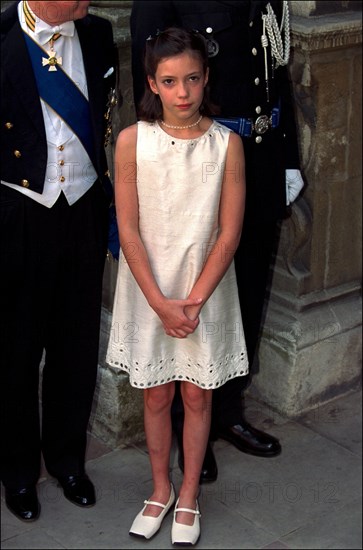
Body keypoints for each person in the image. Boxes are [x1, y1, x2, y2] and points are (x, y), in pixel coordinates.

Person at [130, 0, 304, 482]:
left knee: (245, 295)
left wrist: (287, 156)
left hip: (260, 158)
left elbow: (277, 71)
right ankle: (190, 429)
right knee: (192, 299)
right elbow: (145, 92)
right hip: (196, 173)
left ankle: (225, 410)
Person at [106, 27, 248, 545]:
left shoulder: (227, 145)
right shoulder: (130, 143)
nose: (183, 92)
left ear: (206, 77)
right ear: (152, 84)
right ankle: (160, 487)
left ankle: (190, 493)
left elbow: (229, 234)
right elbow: (128, 229)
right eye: (170, 81)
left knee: (196, 395)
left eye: (191, 79)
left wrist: (191, 302)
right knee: (157, 395)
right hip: (150, 290)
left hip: (202, 293)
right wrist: (161, 304)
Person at [0, 1, 117, 522]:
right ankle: (18, 472)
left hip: (82, 211)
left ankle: (68, 461)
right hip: (18, 216)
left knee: (75, 345)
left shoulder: (98, 34)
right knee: (14, 354)